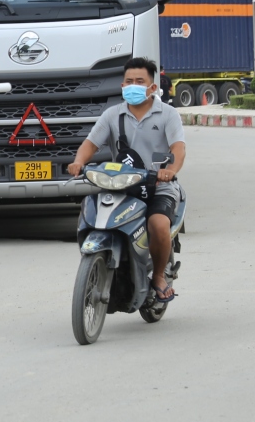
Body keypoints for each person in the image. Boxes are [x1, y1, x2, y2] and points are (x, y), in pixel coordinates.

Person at [66, 57, 186, 302]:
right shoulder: (112, 115)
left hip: (158, 186)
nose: (133, 85)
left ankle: (159, 276)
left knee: (158, 224)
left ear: (152, 87)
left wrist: (170, 169)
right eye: (129, 81)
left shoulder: (168, 114)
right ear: (122, 86)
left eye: (139, 81)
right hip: (121, 184)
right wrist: (79, 162)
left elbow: (178, 147)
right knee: (93, 214)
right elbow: (90, 143)